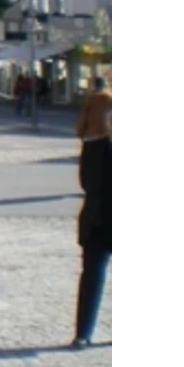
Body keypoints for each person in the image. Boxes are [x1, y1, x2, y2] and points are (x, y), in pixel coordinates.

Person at [71, 77, 118, 349]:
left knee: (92, 275)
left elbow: (85, 184)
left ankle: (83, 333)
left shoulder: (89, 146)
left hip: (95, 217)